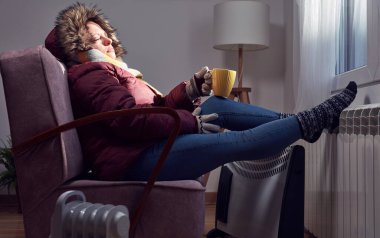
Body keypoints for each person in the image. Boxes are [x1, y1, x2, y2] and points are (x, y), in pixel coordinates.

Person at [45, 3, 357, 181]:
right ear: (81, 50)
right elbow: (131, 122)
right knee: (231, 141)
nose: (109, 42)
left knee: (218, 102)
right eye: (100, 40)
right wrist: (190, 123)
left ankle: (295, 122)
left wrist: (190, 89)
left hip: (149, 145)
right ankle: (309, 121)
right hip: (135, 159)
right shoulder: (90, 74)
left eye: (107, 36)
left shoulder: (113, 71)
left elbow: (155, 107)